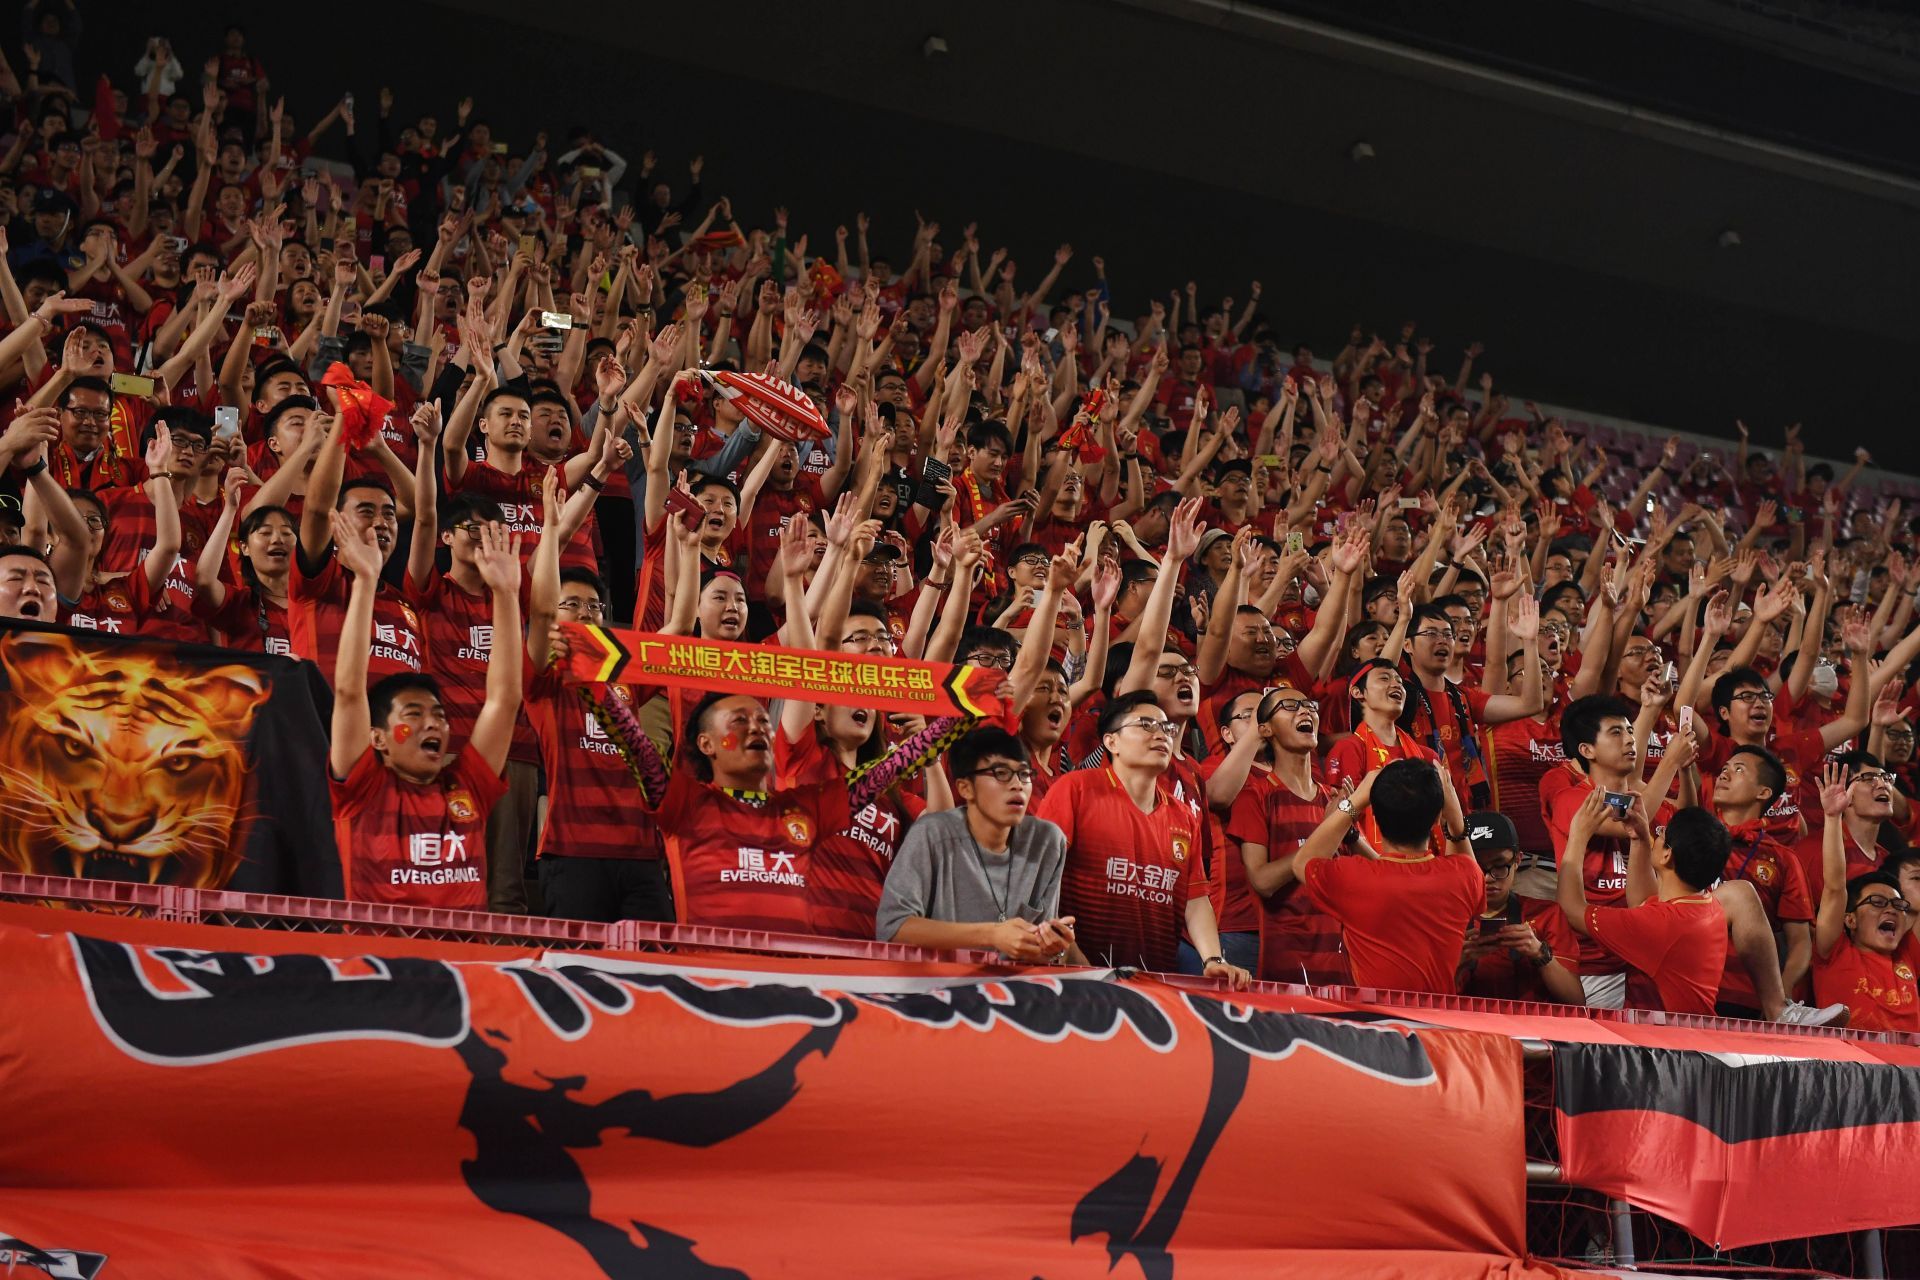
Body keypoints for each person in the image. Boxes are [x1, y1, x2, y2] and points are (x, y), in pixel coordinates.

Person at [327, 513, 523, 909]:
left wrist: (506, 594)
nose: (432, 722)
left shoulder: (467, 787)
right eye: (413, 714)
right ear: (377, 737)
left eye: (437, 714)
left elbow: (504, 700)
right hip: (379, 962)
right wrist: (366, 581)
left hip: (463, 967)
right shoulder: (361, 787)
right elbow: (349, 692)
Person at [1034, 690, 1251, 985]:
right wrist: (1074, 959)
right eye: (1146, 725)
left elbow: (1195, 897)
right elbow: (1041, 880)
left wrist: (1213, 959)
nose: (1161, 734)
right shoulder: (1075, 789)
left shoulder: (1183, 815)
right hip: (1076, 978)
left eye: (1166, 728)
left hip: (1155, 982)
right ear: (1111, 741)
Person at [877, 727, 1081, 962]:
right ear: (965, 787)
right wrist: (992, 935)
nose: (1017, 785)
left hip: (1013, 990)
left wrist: (1052, 946)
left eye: (1024, 774)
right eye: (1001, 773)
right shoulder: (932, 834)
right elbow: (893, 928)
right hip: (939, 988)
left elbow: (1039, 955)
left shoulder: (1047, 842)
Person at [1290, 758, 1482, 995]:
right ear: (1436, 818)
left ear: (1375, 819)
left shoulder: (1354, 877)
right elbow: (1463, 859)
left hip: (1377, 1023)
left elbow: (1302, 864)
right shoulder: (1464, 876)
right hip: (1437, 1023)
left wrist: (1355, 802)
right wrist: (1454, 817)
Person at [1557, 793, 1730, 1015]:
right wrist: (1639, 838)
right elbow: (1643, 903)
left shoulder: (1661, 925)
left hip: (1663, 1045)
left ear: (1668, 854)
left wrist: (1578, 835)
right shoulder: (1705, 905)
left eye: (1660, 833)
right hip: (1688, 1038)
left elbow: (1571, 911)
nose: (1655, 836)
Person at [1223, 684, 1349, 984]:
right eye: (1290, 706)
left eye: (1308, 705)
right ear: (1264, 730)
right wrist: (1327, 832)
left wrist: (1350, 821)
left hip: (1342, 959)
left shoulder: (1332, 798)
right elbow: (1263, 881)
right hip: (1285, 962)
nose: (1305, 710)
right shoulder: (1255, 795)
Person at [1708, 746, 1816, 1018]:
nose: (1724, 775)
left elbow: (1801, 942)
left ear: (1763, 792)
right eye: (1724, 769)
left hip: (1746, 997)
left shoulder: (1783, 858)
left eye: (1739, 770)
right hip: (1688, 982)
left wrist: (1783, 991)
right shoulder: (1692, 835)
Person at [1810, 764, 1918, 1033]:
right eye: (1878, 903)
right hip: (1854, 1068)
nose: (1891, 910)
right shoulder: (1834, 953)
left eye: (1896, 904)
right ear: (1850, 919)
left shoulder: (1908, 954)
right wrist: (1833, 818)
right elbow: (1835, 886)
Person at [1457, 811, 1584, 1004]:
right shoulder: (1445, 920)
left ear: (1517, 860)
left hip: (1530, 1029)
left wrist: (1539, 953)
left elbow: (1576, 1001)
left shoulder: (1546, 914)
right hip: (1465, 1029)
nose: (1488, 878)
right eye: (1478, 868)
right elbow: (1422, 1002)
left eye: (1499, 866)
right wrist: (1459, 962)